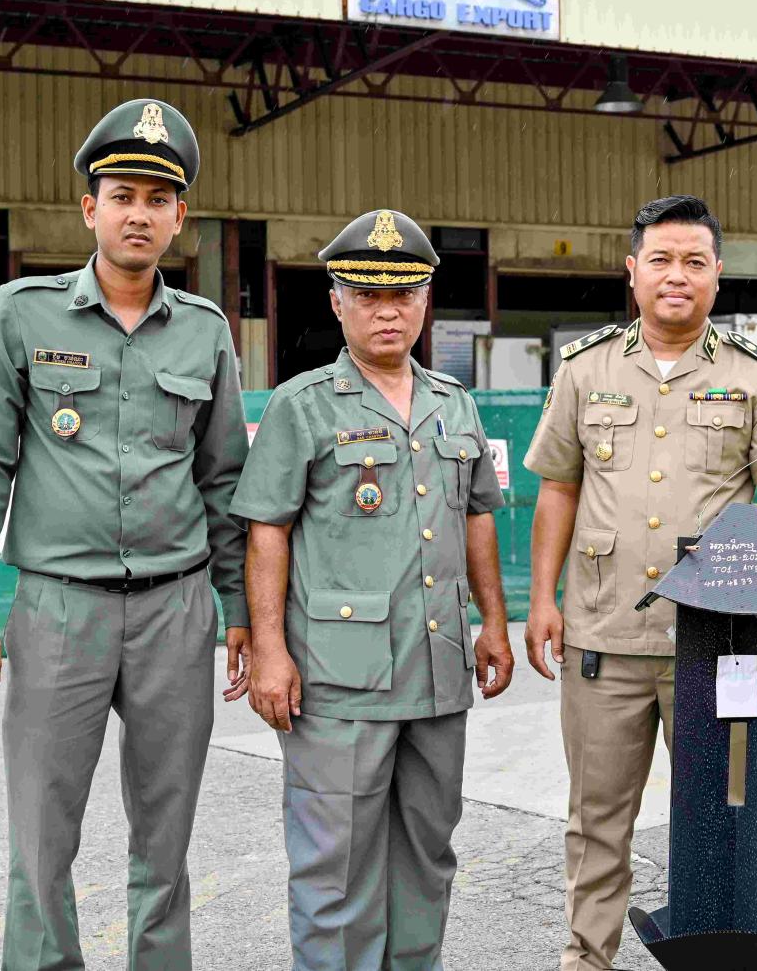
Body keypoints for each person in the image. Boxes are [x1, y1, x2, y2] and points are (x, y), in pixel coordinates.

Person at [0, 98, 251, 971]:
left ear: (179, 218)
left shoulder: (204, 332)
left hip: (175, 612)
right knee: (43, 837)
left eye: (158, 200)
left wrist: (235, 609)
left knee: (166, 838)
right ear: (90, 208)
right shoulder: (25, 315)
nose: (138, 214)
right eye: (122, 195)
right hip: (59, 609)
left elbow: (223, 479)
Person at [522, 194, 757, 971]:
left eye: (694, 261)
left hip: (715, 644)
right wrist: (540, 600)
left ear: (717, 274)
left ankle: (713, 955)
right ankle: (587, 958)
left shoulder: (755, 378)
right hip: (603, 635)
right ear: (632, 271)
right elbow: (558, 487)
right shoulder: (586, 371)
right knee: (597, 819)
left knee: (719, 817)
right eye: (661, 259)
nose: (676, 275)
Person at [231, 208, 515, 971]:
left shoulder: (453, 401)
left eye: (404, 295)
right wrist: (269, 651)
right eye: (367, 296)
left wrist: (494, 622)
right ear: (336, 303)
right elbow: (267, 529)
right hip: (338, 679)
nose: (387, 311)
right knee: (337, 869)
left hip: (436, 675)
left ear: (425, 301)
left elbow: (478, 516)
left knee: (427, 857)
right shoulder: (302, 404)